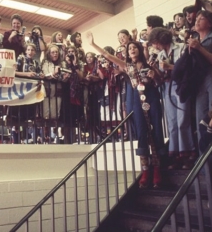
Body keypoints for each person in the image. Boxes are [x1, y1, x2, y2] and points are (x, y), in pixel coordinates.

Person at [87, 32, 164, 189]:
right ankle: (145, 170)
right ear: (127, 53)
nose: (132, 50)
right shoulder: (126, 66)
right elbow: (107, 55)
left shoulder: (150, 64)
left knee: (156, 132)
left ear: (139, 50)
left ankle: (157, 169)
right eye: (130, 49)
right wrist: (93, 44)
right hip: (137, 101)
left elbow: (159, 81)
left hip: (152, 99)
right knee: (141, 133)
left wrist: (154, 74)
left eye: (135, 47)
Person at [148, 27, 196, 169]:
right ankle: (174, 155)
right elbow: (163, 76)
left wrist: (170, 66)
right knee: (172, 123)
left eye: (156, 42)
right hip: (168, 88)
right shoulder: (161, 54)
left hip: (182, 86)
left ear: (162, 39)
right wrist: (155, 71)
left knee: (182, 121)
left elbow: (187, 68)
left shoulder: (181, 48)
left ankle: (187, 153)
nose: (155, 46)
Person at [187, 10, 212, 145]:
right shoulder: (194, 40)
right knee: (201, 118)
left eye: (201, 18)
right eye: (196, 18)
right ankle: (204, 157)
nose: (197, 20)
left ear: (210, 23)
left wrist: (199, 48)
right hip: (200, 82)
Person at [40, 44, 70, 143]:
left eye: (56, 52)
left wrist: (65, 77)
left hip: (58, 88)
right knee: (45, 113)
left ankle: (54, 133)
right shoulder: (45, 62)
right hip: (48, 87)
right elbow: (45, 75)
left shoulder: (62, 63)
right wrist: (54, 73)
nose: (55, 54)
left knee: (55, 112)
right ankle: (45, 134)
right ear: (49, 53)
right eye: (53, 52)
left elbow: (64, 75)